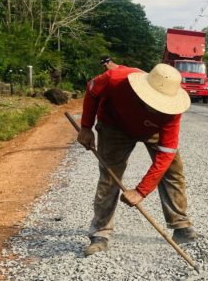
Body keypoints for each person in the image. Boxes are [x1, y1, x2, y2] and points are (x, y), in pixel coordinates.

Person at [77, 56, 198, 256]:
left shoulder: (171, 112)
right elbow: (91, 92)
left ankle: (181, 226)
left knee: (173, 171)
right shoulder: (115, 79)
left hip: (152, 130)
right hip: (114, 125)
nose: (156, 106)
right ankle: (100, 233)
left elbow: (165, 155)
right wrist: (86, 127)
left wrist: (141, 191)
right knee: (110, 176)